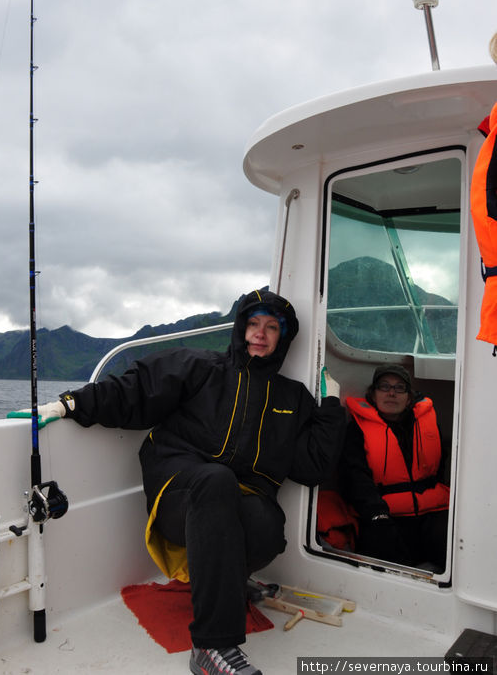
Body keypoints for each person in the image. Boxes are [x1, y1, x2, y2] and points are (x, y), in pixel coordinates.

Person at [23, 289, 345, 675]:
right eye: (254, 324)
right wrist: (72, 403)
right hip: (180, 492)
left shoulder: (291, 399)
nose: (261, 333)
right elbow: (138, 390)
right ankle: (213, 646)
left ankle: (227, 585)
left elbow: (312, 467)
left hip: (235, 501)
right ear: (242, 329)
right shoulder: (202, 368)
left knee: (267, 528)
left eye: (272, 327)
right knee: (215, 480)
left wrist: (330, 410)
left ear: (283, 337)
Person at [340, 363, 450, 571]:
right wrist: (377, 515)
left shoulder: (425, 425)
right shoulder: (357, 430)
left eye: (400, 388)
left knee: (456, 541)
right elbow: (355, 478)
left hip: (431, 512)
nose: (392, 393)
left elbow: (440, 466)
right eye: (384, 386)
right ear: (373, 395)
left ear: (409, 398)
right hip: (385, 515)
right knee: (382, 545)